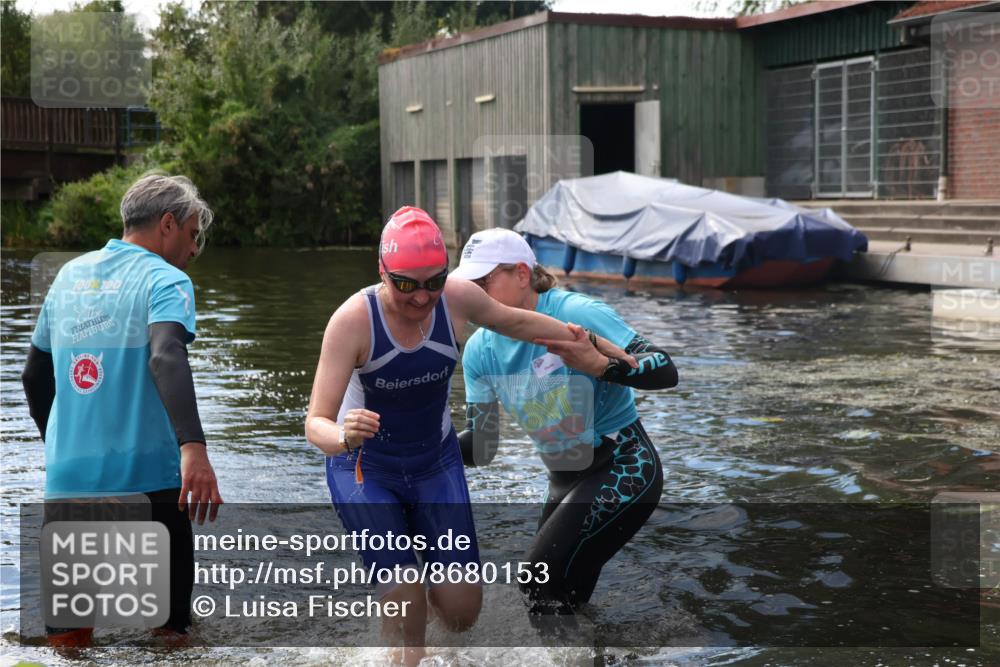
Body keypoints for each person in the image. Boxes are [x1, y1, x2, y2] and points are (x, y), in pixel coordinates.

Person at [304, 207, 634, 666]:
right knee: (405, 598)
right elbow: (315, 422)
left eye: (433, 281)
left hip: (434, 465)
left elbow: (521, 323)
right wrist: (343, 434)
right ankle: (402, 643)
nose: (421, 298)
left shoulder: (456, 298)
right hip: (365, 469)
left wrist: (603, 351)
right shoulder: (352, 322)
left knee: (461, 613)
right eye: (405, 285)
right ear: (382, 272)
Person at [21, 173, 223, 646]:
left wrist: (61, 445)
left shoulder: (68, 277)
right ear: (168, 225)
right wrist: (193, 447)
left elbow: (33, 377)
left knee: (69, 642)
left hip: (69, 483)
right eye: (193, 235)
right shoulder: (166, 279)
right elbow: (165, 354)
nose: (194, 250)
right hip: (150, 480)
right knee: (171, 639)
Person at [451, 228, 678, 621]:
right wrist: (413, 448)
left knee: (537, 582)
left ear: (522, 274)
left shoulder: (574, 314)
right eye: (465, 284)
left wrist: (601, 365)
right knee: (556, 603)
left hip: (623, 466)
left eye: (483, 281)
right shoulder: (479, 350)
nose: (471, 292)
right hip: (564, 481)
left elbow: (665, 369)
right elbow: (482, 444)